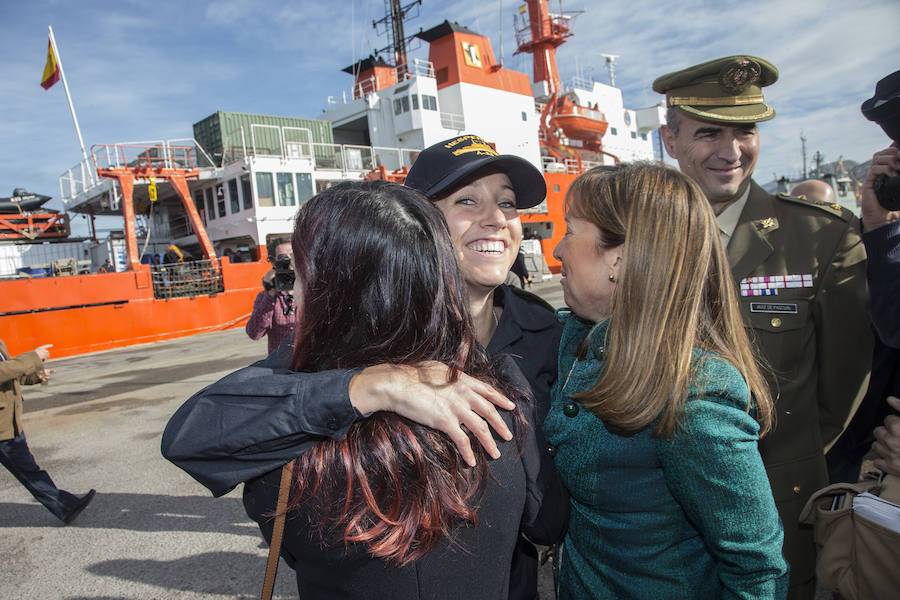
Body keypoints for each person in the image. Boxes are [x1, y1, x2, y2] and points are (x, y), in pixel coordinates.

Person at [163, 134, 562, 599]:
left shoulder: (550, 331)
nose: (496, 220)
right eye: (468, 200)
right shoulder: (315, 372)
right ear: (417, 223)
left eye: (509, 204)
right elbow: (196, 432)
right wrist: (367, 386)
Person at [655, 55, 872, 599]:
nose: (731, 151)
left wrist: (782, 457)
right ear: (670, 140)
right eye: (708, 132)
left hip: (777, 506)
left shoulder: (823, 241)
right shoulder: (636, 238)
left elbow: (842, 388)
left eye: (745, 130)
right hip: (656, 515)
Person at [543, 162, 788, 598]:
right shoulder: (576, 342)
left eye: (569, 230)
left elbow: (755, 569)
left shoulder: (697, 395)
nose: (557, 249)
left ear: (618, 257)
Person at [0, 339, 95, 524]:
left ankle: (66, 506)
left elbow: (10, 371)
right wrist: (33, 357)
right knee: (28, 470)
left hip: (8, 422)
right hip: (3, 426)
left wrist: (35, 377)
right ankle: (65, 506)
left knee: (28, 470)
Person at [245, 238, 296, 355]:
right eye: (283, 257)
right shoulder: (265, 297)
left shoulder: (311, 292)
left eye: (293, 255)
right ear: (273, 263)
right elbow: (254, 334)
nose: (289, 261)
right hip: (280, 365)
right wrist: (270, 294)